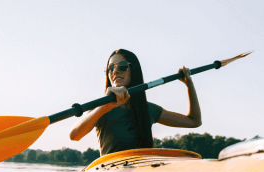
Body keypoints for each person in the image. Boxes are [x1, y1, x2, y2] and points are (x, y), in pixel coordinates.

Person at [70, 49, 202, 156]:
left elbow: (194, 121)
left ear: (134, 71)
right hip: (111, 171)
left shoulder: (148, 109)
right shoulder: (101, 109)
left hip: (141, 169)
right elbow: (75, 135)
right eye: (110, 68)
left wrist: (189, 85)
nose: (115, 71)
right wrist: (105, 106)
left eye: (122, 66)